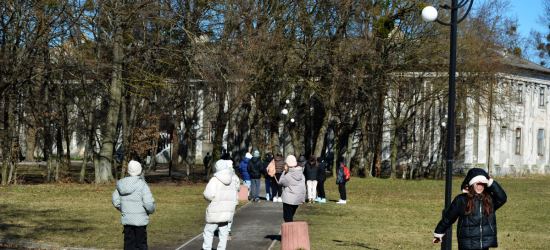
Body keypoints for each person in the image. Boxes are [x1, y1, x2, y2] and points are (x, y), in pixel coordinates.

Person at [432, 168, 507, 249]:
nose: (480, 187)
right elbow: (448, 218)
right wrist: (438, 232)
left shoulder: (488, 199)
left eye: (482, 184)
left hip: (484, 244)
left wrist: (491, 183)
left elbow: (502, 198)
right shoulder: (461, 200)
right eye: (477, 184)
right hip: (467, 244)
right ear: (471, 184)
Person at [112, 160, 156, 250]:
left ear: (128, 170)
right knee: (141, 244)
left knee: (128, 243)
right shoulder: (143, 185)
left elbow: (115, 200)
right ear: (139, 170)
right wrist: (151, 210)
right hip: (140, 221)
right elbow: (148, 203)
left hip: (127, 219)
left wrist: (125, 209)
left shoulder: (121, 184)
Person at [201, 158, 238, 250]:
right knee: (223, 232)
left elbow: (208, 195)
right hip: (227, 210)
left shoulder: (214, 180)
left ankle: (207, 248)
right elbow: (235, 195)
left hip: (216, 209)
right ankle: (221, 248)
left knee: (208, 231)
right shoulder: (231, 180)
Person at [278, 155, 306, 222]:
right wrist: (302, 199)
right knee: (290, 217)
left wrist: (284, 171)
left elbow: (280, 182)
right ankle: (290, 231)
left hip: (288, 199)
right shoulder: (301, 174)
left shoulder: (288, 175)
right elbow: (303, 187)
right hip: (297, 199)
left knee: (287, 219)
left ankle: (289, 232)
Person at [219, 153, 240, 241]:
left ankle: (223, 231)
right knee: (230, 215)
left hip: (222, 198)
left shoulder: (219, 175)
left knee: (222, 214)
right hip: (232, 199)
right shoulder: (234, 176)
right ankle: (227, 232)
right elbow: (238, 187)